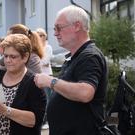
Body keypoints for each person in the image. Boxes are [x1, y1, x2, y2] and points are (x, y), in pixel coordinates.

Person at [34, 5, 108, 135]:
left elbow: (85, 93)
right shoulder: (77, 56)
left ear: (77, 26)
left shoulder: (89, 56)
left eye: (59, 28)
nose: (55, 33)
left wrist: (50, 81)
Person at [0, 34, 46, 135]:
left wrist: (5, 110)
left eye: (13, 57)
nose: (7, 60)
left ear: (25, 57)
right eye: (5, 56)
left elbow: (34, 120)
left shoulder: (33, 82)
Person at [36, 28, 53, 130]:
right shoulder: (36, 48)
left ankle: (47, 121)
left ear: (44, 36)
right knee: (39, 99)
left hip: (46, 76)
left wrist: (36, 61)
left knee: (47, 99)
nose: (38, 37)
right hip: (38, 76)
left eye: (40, 35)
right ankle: (41, 120)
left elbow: (46, 61)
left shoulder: (48, 47)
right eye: (37, 35)